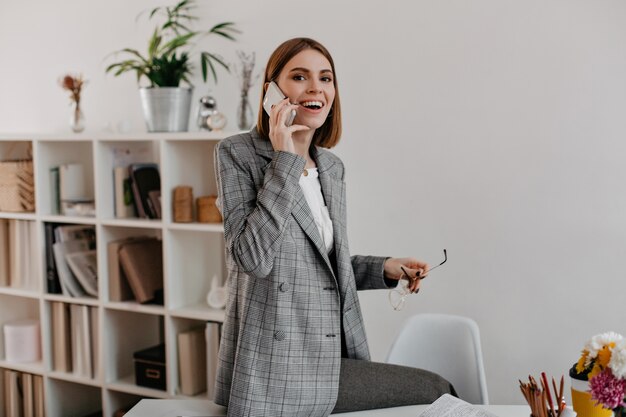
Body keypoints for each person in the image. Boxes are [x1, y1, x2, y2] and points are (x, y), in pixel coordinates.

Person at [213, 37, 455, 417]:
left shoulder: (331, 167)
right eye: (299, 76)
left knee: (441, 394)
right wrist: (284, 161)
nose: (316, 88)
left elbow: (316, 266)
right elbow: (252, 258)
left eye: (326, 78)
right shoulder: (237, 153)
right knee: (437, 391)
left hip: (332, 352)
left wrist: (384, 268)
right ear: (272, 92)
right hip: (280, 366)